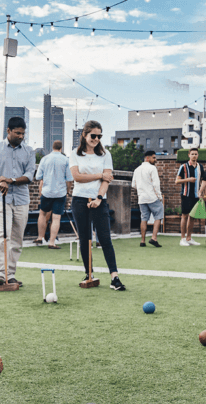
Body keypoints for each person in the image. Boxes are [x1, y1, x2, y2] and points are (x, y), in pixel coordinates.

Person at [69, 120, 126, 291]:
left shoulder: (105, 155)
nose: (96, 139)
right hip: (79, 200)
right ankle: (89, 274)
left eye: (99, 136)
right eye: (93, 135)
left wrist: (99, 198)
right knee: (85, 239)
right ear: (84, 135)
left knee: (105, 239)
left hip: (99, 201)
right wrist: (99, 175)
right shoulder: (75, 154)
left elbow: (107, 180)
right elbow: (77, 177)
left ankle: (114, 277)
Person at [0, 116, 36, 286]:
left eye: (23, 134)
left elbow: (29, 176)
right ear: (8, 131)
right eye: (17, 133)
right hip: (1, 197)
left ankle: (10, 274)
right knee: (4, 233)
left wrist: (10, 181)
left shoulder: (29, 151)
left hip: (21, 199)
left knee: (17, 238)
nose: (21, 136)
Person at [34, 140, 72, 249]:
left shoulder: (44, 159)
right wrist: (68, 191)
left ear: (52, 147)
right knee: (56, 218)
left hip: (47, 191)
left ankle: (40, 237)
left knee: (42, 214)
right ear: (61, 148)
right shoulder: (66, 160)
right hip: (60, 192)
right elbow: (69, 179)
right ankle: (51, 242)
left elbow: (38, 177)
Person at [131, 150, 163, 248]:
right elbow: (156, 184)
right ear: (147, 158)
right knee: (159, 215)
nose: (155, 159)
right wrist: (159, 196)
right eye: (154, 157)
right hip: (152, 196)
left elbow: (133, 185)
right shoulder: (152, 168)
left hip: (142, 198)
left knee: (144, 218)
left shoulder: (137, 169)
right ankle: (154, 238)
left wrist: (142, 190)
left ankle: (142, 241)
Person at [175, 147, 203, 246]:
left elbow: (203, 181)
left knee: (192, 217)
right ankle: (182, 239)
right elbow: (177, 181)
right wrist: (188, 179)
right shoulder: (184, 166)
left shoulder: (200, 167)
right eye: (192, 154)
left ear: (198, 155)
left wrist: (202, 192)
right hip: (186, 195)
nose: (194, 156)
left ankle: (189, 238)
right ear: (189, 155)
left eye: (196, 154)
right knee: (185, 216)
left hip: (196, 196)